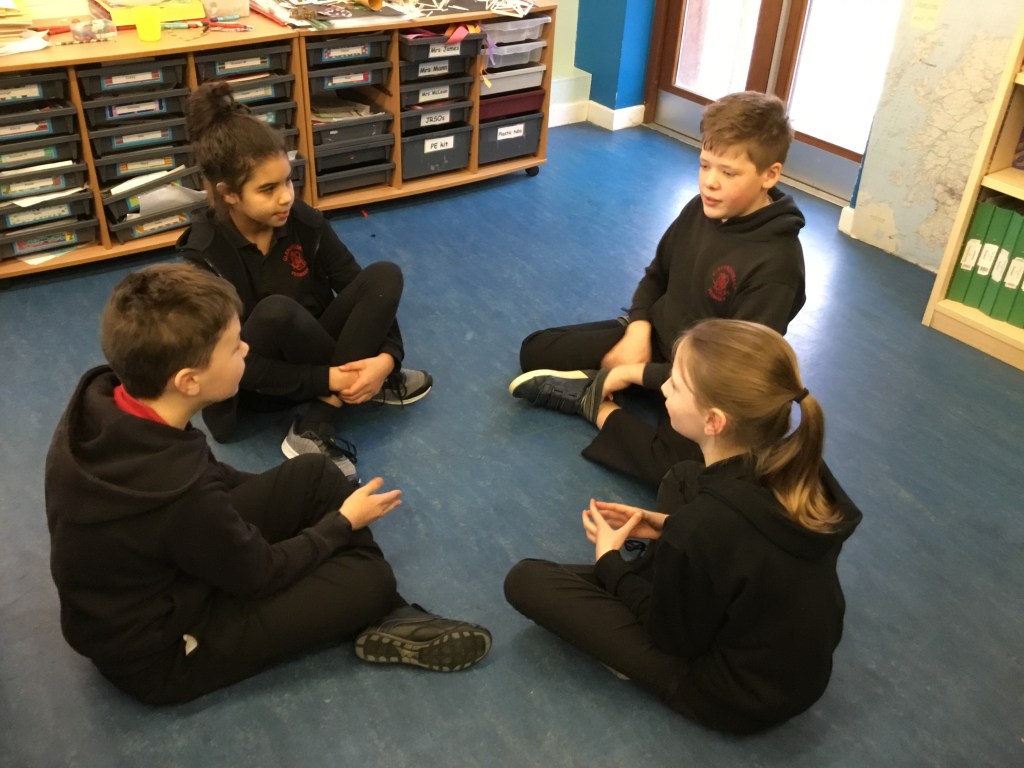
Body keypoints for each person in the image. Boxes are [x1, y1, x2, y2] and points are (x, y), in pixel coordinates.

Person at [44, 264, 491, 706]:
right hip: (162, 653)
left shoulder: (106, 398)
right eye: (234, 347)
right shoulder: (180, 491)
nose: (247, 349)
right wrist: (339, 523)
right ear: (188, 381)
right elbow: (258, 573)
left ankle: (380, 610)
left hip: (164, 573)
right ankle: (385, 610)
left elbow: (210, 485)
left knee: (316, 475)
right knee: (371, 580)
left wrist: (293, 510)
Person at [504, 319, 862, 734]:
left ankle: (635, 623)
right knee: (683, 476)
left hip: (729, 695)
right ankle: (662, 576)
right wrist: (668, 527)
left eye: (676, 384)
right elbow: (747, 546)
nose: (664, 388)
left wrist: (610, 562)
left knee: (527, 581)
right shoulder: (802, 468)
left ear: (714, 421)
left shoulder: (700, 528)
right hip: (793, 670)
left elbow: (672, 639)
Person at [509, 91, 806, 488]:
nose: (710, 182)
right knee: (536, 350)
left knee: (683, 473)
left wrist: (635, 372)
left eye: (729, 173)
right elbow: (656, 275)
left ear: (769, 175)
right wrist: (638, 328)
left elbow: (728, 375)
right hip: (655, 343)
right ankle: (622, 383)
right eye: (704, 165)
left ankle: (592, 403)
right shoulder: (700, 208)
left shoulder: (777, 268)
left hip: (702, 379)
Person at [178, 81, 431, 485]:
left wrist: (386, 360)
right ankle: (340, 396)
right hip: (255, 383)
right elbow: (227, 365)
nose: (285, 197)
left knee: (385, 275)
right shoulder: (204, 254)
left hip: (319, 353)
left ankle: (323, 415)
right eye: (267, 189)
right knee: (276, 311)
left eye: (287, 181)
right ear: (228, 194)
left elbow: (360, 286)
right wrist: (329, 379)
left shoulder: (304, 221)